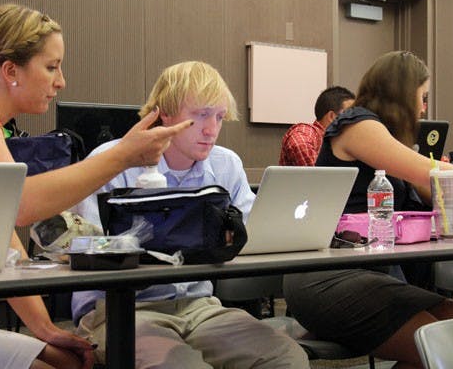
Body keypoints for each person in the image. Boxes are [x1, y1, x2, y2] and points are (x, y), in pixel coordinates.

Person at [0, 3, 190, 369]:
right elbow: (19, 206)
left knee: (70, 361)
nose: (61, 81)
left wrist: (44, 328)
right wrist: (122, 156)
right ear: (10, 71)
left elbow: (1, 237)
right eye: (51, 67)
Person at [72, 61, 310, 368]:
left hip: (199, 306)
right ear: (164, 114)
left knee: (286, 358)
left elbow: (255, 235)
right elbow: (85, 250)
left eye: (220, 117)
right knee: (181, 365)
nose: (212, 129)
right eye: (201, 115)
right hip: (119, 309)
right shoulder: (110, 162)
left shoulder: (226, 165)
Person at [283, 51, 453, 369]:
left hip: (370, 274)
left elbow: (443, 193)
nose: (424, 107)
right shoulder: (355, 125)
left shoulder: (386, 139)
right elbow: (429, 172)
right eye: (422, 96)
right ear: (402, 91)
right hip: (327, 276)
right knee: (449, 343)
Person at [279, 86, 355, 166]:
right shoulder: (307, 131)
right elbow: (299, 144)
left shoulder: (336, 141)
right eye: (350, 114)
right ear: (332, 116)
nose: (354, 120)